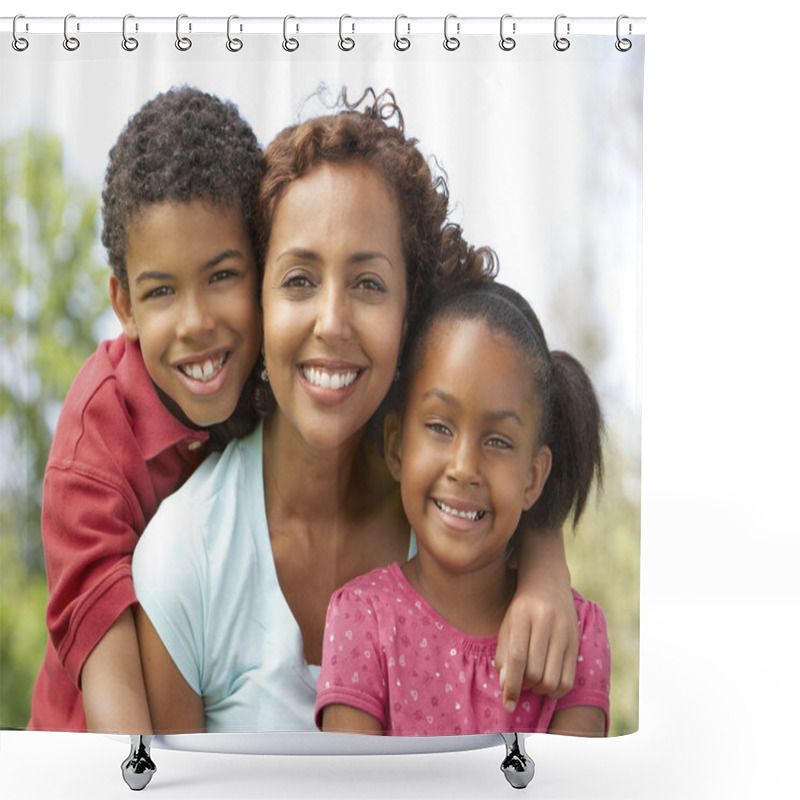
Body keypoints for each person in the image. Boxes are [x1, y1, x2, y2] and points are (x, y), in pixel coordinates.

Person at [132, 89, 580, 734]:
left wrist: (542, 558)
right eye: (299, 280)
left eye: (368, 284)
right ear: (259, 298)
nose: (333, 323)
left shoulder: (457, 505)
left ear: (410, 307)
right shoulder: (186, 560)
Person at [28, 86, 263, 735]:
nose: (196, 322)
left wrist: (542, 562)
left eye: (222, 275)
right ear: (125, 305)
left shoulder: (285, 375)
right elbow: (120, 732)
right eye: (162, 291)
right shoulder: (94, 445)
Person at [316, 282, 610, 736]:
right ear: (397, 445)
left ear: (533, 478)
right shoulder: (361, 621)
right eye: (439, 426)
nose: (464, 467)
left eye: (497, 441)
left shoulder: (576, 634)